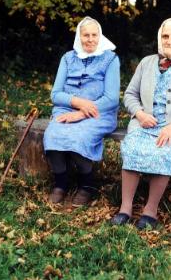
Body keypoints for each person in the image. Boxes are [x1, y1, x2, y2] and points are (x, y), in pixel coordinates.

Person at [111, 18, 171, 229]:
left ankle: (150, 210)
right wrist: (139, 113)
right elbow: (130, 94)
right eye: (165, 36)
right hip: (145, 124)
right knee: (132, 148)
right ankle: (125, 208)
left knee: (163, 151)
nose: (169, 41)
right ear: (159, 37)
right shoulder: (147, 63)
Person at [43, 16, 120, 206]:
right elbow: (56, 94)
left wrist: (82, 112)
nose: (90, 39)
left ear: (100, 36)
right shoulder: (68, 58)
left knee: (80, 137)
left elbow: (111, 98)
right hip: (66, 109)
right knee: (52, 135)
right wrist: (77, 102)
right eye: (86, 35)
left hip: (99, 113)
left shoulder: (110, 59)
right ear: (79, 36)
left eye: (95, 35)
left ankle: (87, 185)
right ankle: (61, 183)